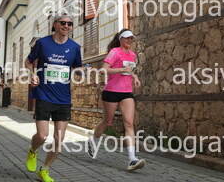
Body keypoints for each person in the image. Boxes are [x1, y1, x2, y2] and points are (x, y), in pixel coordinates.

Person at [25, 13, 82, 182]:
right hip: (44, 95)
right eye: (63, 23)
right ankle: (32, 151)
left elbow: (77, 68)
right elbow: (28, 61)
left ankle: (44, 169)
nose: (66, 26)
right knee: (42, 136)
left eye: (70, 24)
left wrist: (81, 72)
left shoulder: (75, 47)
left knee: (59, 141)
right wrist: (32, 75)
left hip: (63, 98)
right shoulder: (43, 43)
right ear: (54, 24)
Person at [88, 29, 145, 171]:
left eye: (132, 38)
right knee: (107, 122)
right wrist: (120, 70)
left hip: (127, 92)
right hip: (111, 91)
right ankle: (93, 140)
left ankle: (132, 159)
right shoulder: (115, 52)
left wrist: (135, 77)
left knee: (129, 123)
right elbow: (103, 69)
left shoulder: (132, 55)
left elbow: (130, 70)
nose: (130, 40)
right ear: (121, 39)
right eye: (127, 38)